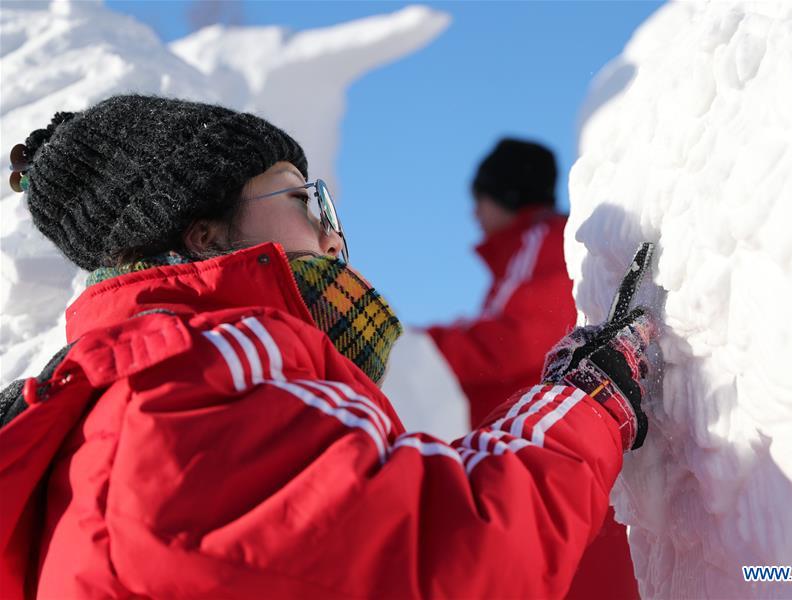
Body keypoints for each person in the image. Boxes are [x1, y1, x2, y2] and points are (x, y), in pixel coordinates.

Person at [0, 95, 658, 599]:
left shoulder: (170, 387)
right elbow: (450, 556)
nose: (335, 237)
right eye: (304, 199)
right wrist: (588, 400)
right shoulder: (185, 394)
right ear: (202, 235)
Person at [426, 138, 641, 599]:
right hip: (575, 456)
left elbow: (517, 336)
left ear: (504, 197)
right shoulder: (538, 249)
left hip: (559, 453)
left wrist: (421, 348)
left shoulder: (537, 242)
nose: (474, 215)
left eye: (479, 199)